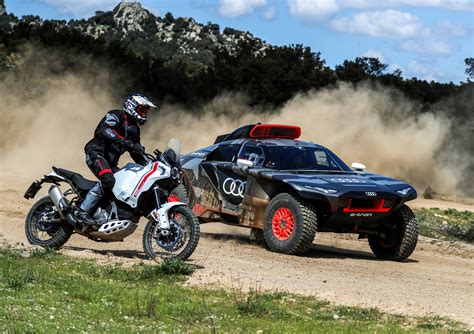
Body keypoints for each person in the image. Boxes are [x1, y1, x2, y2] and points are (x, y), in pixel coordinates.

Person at [75, 93, 158, 225]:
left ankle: (101, 212)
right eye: (142, 110)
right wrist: (125, 142)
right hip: (96, 153)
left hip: (110, 162)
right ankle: (82, 211)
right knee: (108, 179)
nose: (144, 114)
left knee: (120, 186)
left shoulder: (134, 129)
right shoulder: (117, 115)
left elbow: (136, 153)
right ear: (132, 106)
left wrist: (151, 165)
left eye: (145, 111)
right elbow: (104, 130)